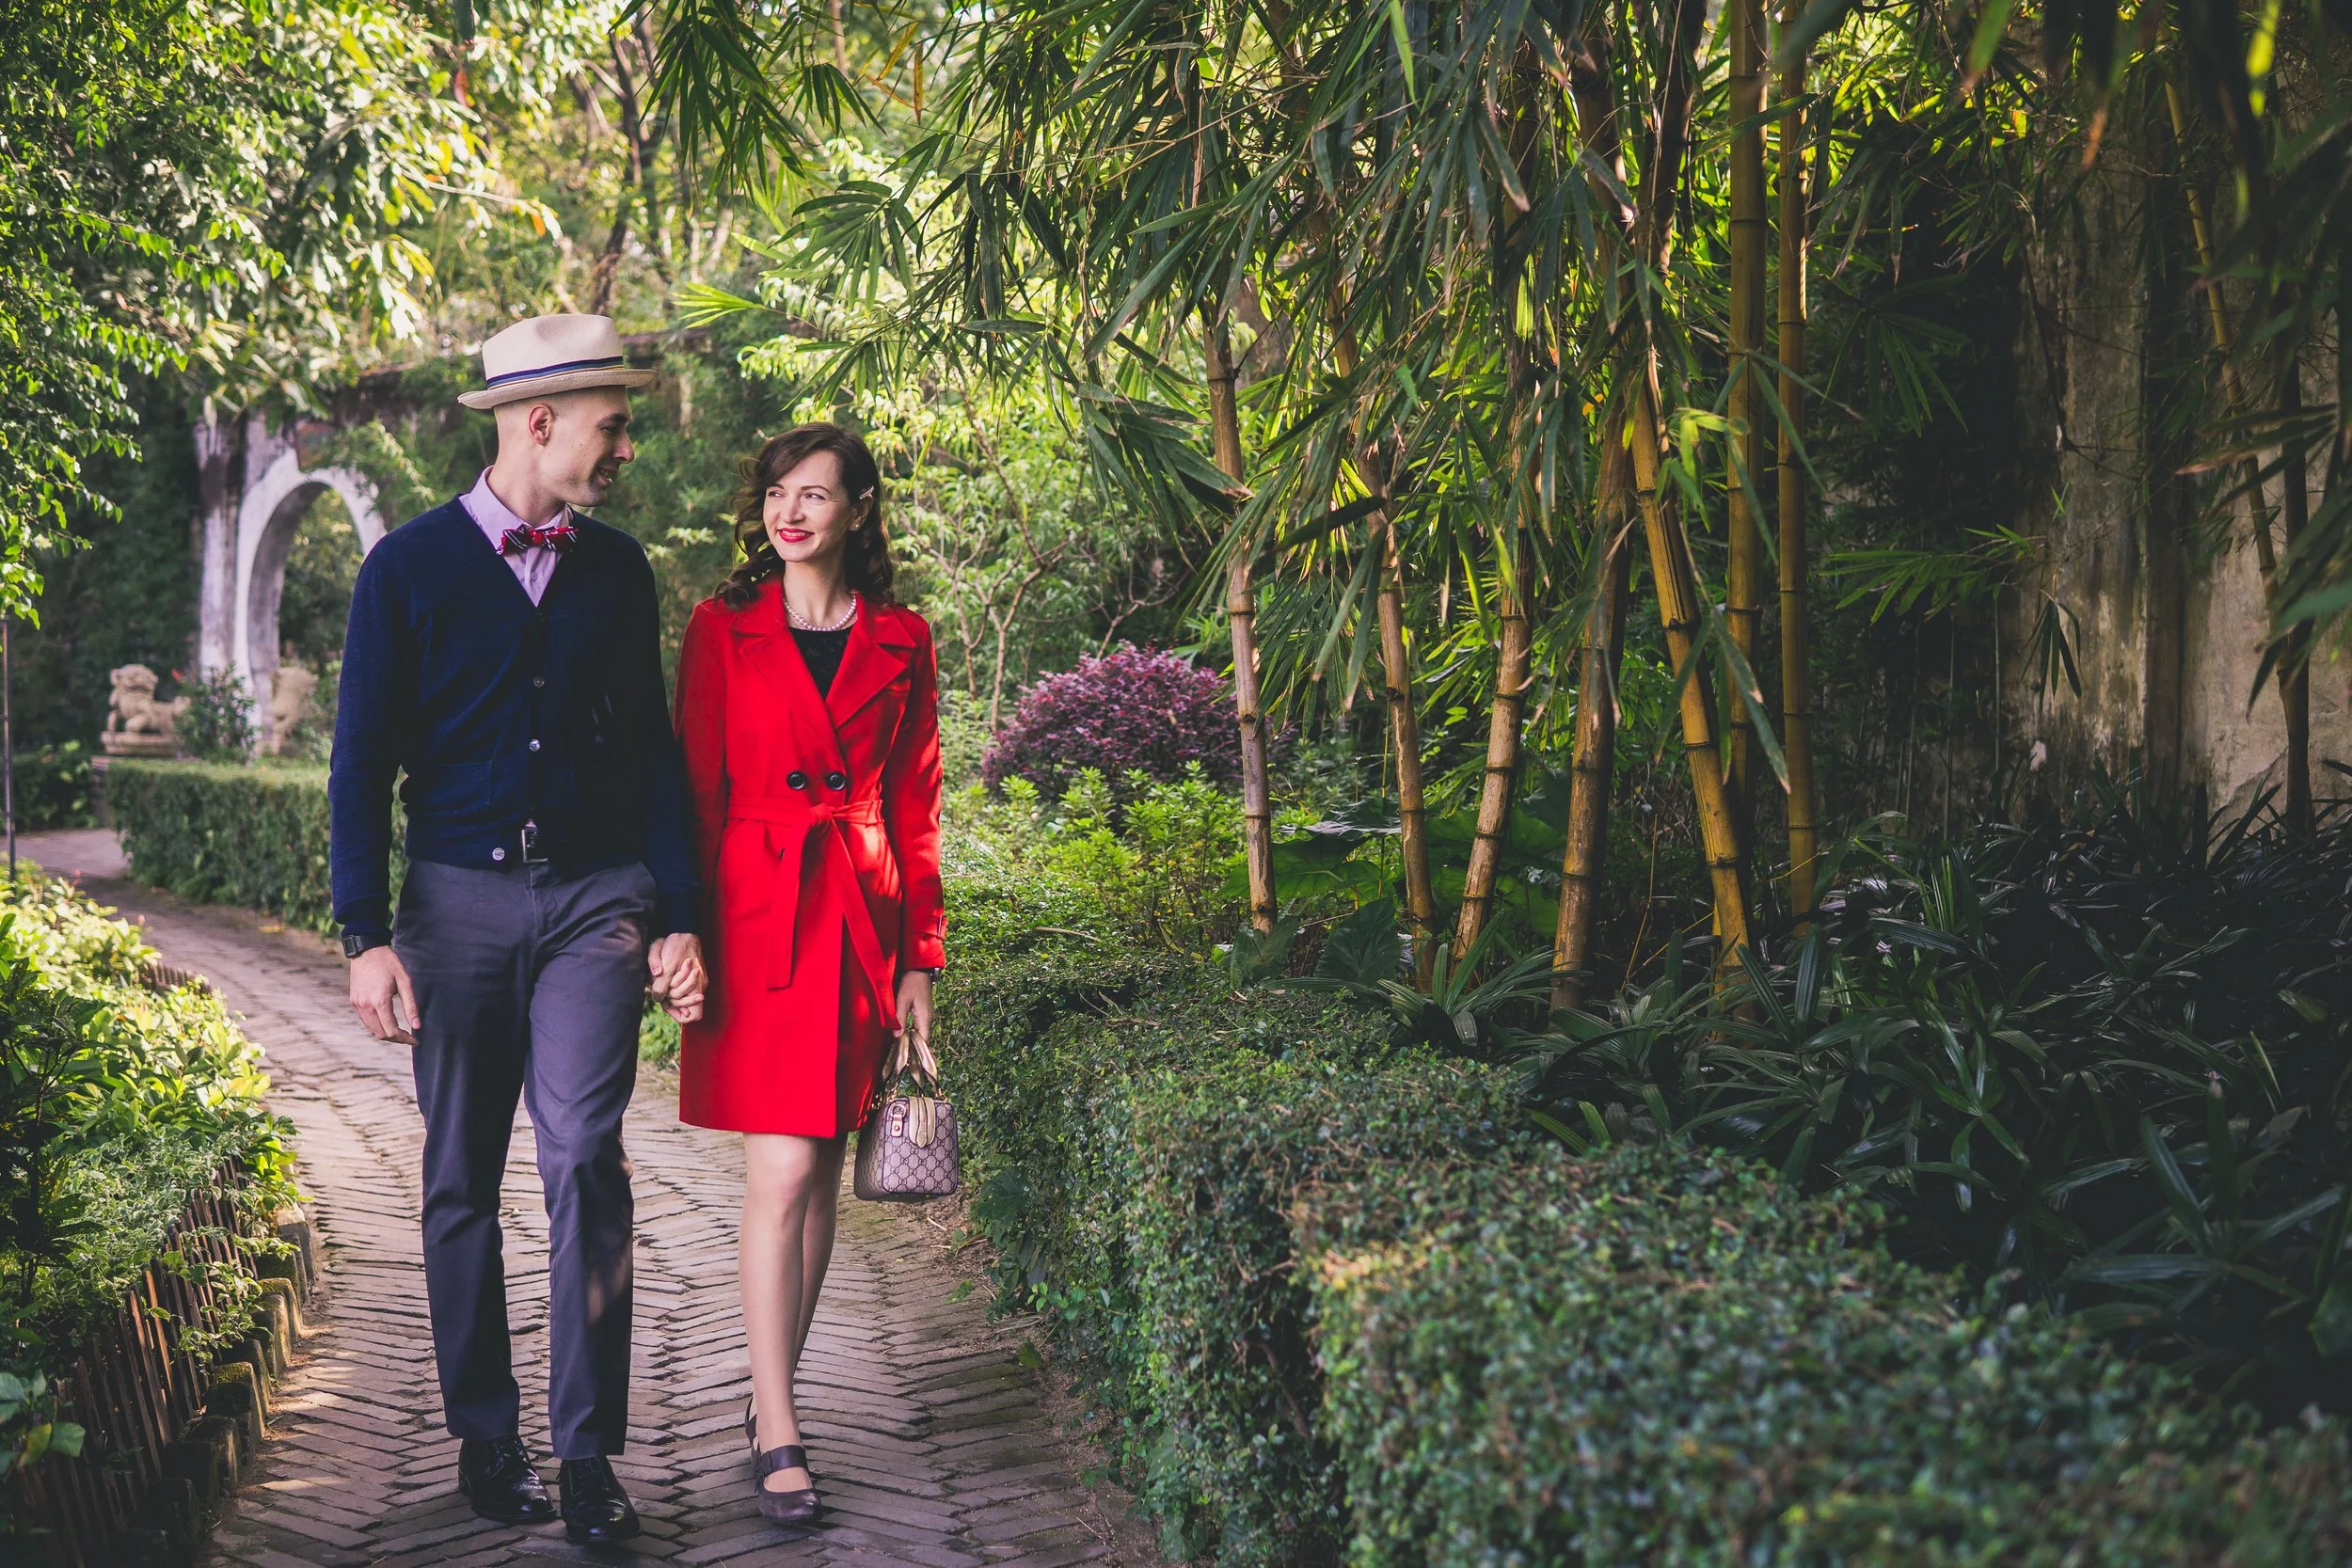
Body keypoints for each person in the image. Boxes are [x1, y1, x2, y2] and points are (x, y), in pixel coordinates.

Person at [329, 313, 707, 1545]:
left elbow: (654, 751)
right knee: (459, 1177)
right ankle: (486, 1432)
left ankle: (589, 1453)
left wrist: (677, 912)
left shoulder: (620, 568)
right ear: (539, 423)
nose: (626, 446)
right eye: (614, 423)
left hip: (597, 898)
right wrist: (362, 932)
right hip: (455, 905)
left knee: (586, 1153)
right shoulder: (408, 569)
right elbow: (359, 763)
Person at [671, 422, 945, 1525]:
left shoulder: (904, 637)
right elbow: (690, 790)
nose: (790, 512)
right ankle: (777, 1420)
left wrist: (921, 953)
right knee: (780, 1174)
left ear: (857, 510)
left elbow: (920, 802)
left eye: (815, 495)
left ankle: (769, 1397)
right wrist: (677, 928)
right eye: (778, 492)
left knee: (823, 1169)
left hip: (862, 918)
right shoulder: (719, 626)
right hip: (756, 912)